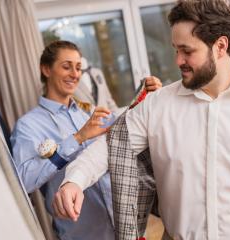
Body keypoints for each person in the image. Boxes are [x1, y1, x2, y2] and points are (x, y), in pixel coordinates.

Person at [52, 1, 230, 239]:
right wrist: (75, 180)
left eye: (187, 51)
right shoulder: (157, 106)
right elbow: (111, 147)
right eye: (176, 49)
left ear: (220, 46)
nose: (178, 60)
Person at [10, 40, 162, 240]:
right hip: (84, 234)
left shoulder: (90, 111)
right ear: (46, 69)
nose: (75, 74)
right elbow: (23, 182)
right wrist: (77, 138)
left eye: (78, 67)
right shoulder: (28, 125)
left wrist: (146, 96)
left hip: (127, 228)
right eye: (66, 67)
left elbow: (127, 127)